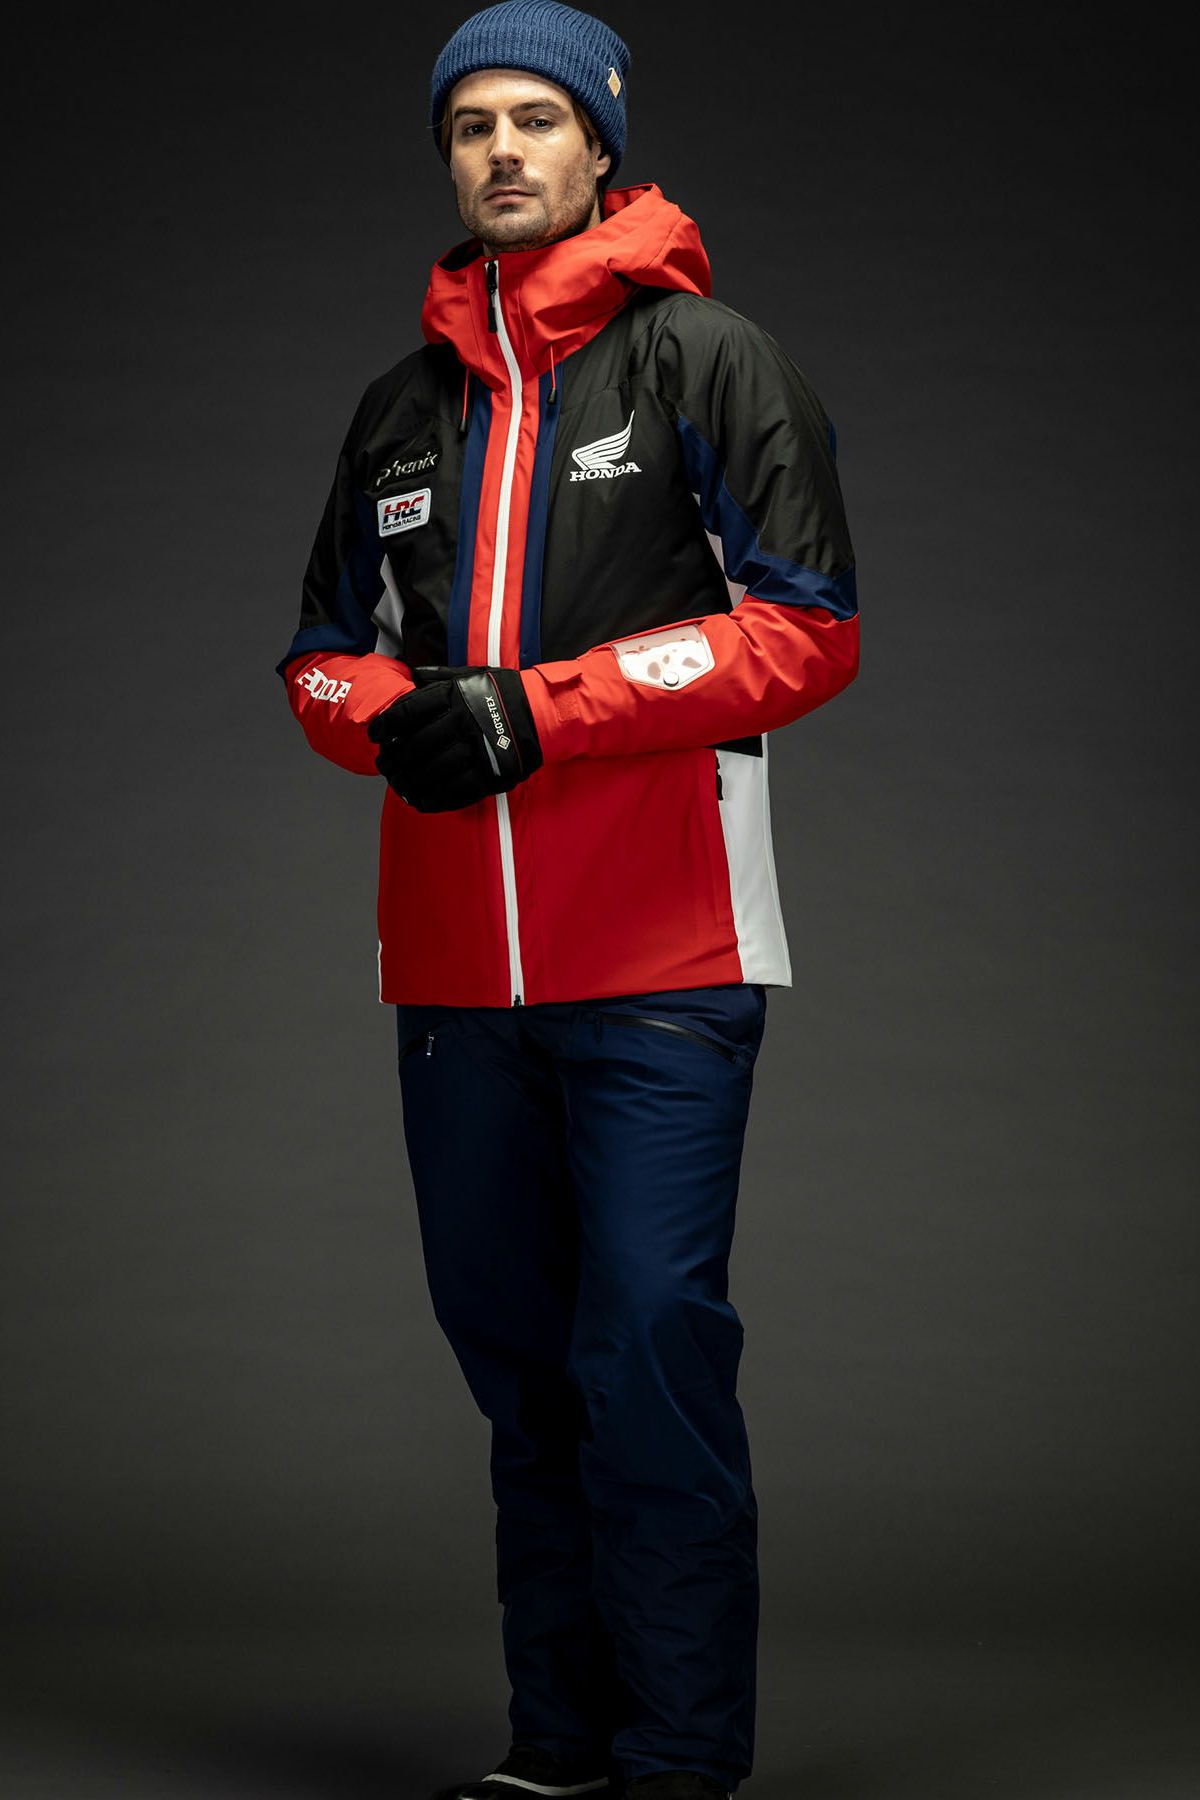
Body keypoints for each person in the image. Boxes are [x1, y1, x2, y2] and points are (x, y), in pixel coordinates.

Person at [274, 3, 859, 1794]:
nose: (504, 150)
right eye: (473, 126)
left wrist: (544, 708)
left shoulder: (710, 359)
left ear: (602, 145)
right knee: (519, 1371)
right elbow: (318, 658)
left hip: (665, 957)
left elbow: (806, 630)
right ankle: (559, 1751)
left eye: (537, 118)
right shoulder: (400, 412)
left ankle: (678, 1763)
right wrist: (393, 721)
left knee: (649, 1356)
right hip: (454, 980)